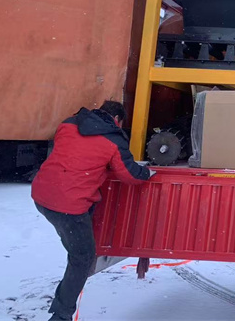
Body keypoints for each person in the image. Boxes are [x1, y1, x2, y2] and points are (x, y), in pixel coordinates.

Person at [31, 100, 153, 321]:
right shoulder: (113, 139)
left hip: (42, 195)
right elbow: (129, 175)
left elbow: (74, 155)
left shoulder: (68, 124)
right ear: (117, 120)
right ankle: (61, 315)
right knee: (83, 257)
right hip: (69, 206)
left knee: (77, 243)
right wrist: (146, 173)